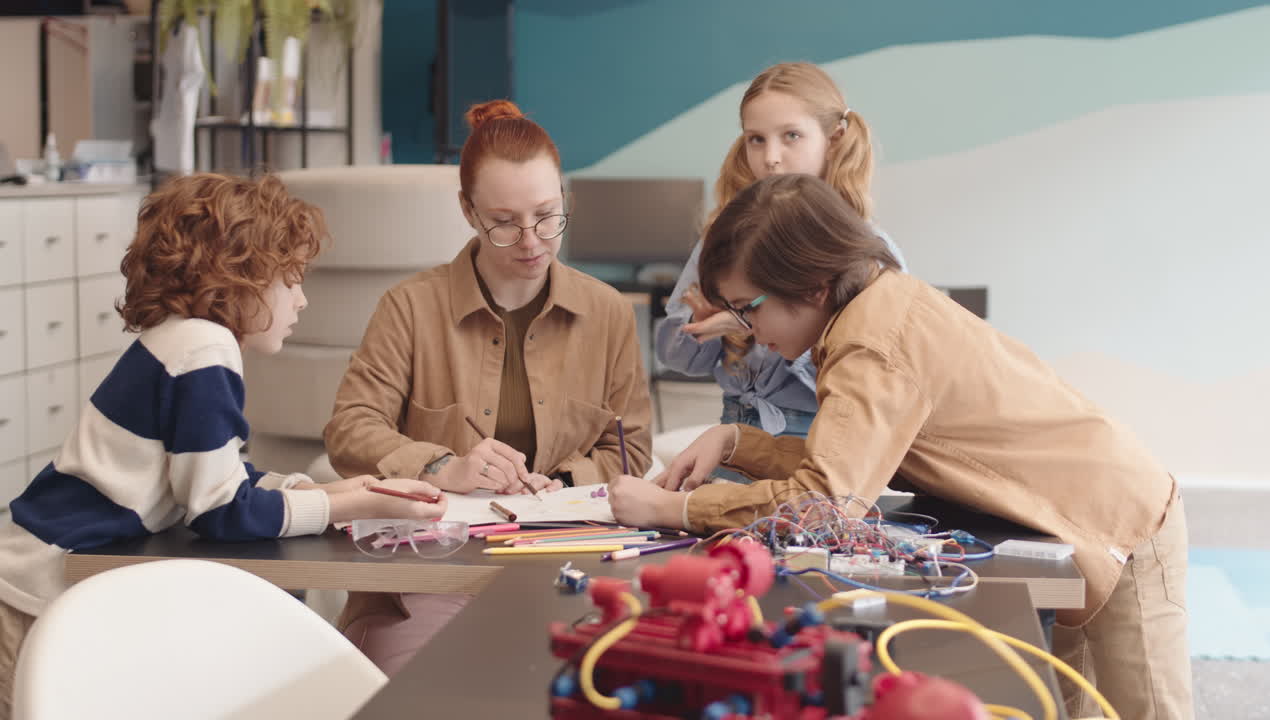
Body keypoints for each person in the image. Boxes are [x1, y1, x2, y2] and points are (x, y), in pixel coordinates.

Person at [611, 174, 1191, 719]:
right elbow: (847, 462)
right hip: (1074, 522)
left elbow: (825, 503)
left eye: (748, 308)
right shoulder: (872, 305)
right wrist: (735, 439)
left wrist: (675, 510)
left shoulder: (871, 346)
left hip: (1119, 522)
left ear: (811, 284)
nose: (744, 329)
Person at [0, 173, 446, 720]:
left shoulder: (184, 339)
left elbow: (223, 478)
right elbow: (219, 510)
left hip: (45, 576)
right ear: (241, 278)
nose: (302, 300)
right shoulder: (203, 349)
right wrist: (355, 504)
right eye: (291, 280)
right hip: (37, 592)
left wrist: (340, 489)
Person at [324, 99, 652, 675]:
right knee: (427, 686)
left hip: (563, 567)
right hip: (426, 577)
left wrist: (564, 483)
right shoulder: (410, 308)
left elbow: (632, 450)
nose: (531, 240)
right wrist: (439, 467)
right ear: (468, 211)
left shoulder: (607, 314)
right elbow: (350, 428)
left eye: (548, 216)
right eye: (504, 222)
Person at [655, 62, 905, 463]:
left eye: (791, 136)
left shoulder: (867, 249)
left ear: (834, 139)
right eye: (756, 139)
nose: (770, 158)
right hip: (732, 432)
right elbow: (680, 358)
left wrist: (743, 320)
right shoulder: (725, 237)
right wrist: (703, 328)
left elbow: (875, 383)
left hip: (819, 441)